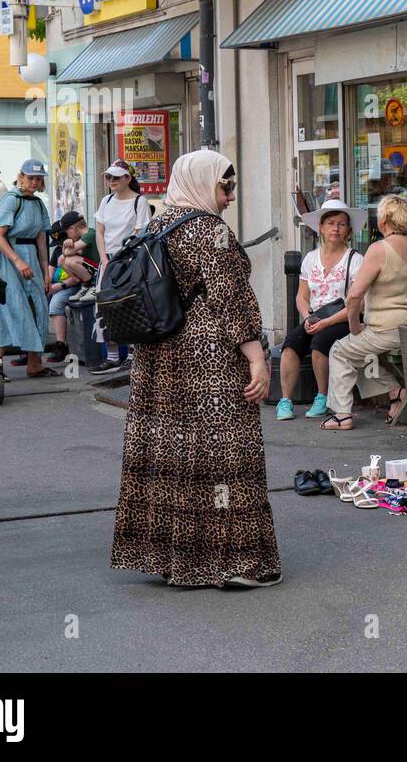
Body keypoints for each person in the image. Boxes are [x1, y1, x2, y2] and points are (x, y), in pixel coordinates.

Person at [110, 149, 281, 588]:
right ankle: (237, 563)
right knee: (225, 455)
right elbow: (231, 299)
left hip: (159, 357)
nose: (229, 197)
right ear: (205, 183)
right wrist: (257, 356)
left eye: (232, 187)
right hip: (209, 358)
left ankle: (176, 559)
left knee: (173, 455)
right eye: (226, 187)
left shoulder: (155, 224)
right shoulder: (211, 231)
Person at [321, 194, 407, 430]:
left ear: (384, 220)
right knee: (363, 356)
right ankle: (396, 393)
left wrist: (354, 327)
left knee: (340, 351)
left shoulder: (379, 249)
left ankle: (341, 415)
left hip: (384, 329)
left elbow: (354, 296)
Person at [276, 199, 364, 420]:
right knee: (291, 344)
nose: (335, 228)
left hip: (343, 318)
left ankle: (322, 397)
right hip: (316, 317)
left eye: (341, 224)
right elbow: (302, 296)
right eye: (331, 223)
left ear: (348, 230)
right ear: (321, 228)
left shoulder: (355, 260)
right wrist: (307, 317)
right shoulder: (310, 258)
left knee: (320, 343)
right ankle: (285, 400)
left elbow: (357, 303)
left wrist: (326, 322)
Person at [0, 159, 56, 379]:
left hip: (30, 257)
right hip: (8, 257)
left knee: (38, 306)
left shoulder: (37, 203)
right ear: (21, 176)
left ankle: (34, 364)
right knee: (10, 307)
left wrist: (46, 272)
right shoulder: (10, 201)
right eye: (31, 177)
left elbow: (41, 241)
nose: (35, 182)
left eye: (38, 178)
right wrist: (17, 261)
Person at [91, 160, 149, 375]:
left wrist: (124, 257)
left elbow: (140, 232)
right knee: (104, 305)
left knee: (131, 304)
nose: (112, 181)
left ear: (128, 178)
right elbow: (99, 231)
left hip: (129, 260)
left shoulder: (139, 202)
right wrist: (104, 259)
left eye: (116, 177)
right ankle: (112, 356)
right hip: (107, 261)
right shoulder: (105, 201)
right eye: (109, 177)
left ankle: (133, 355)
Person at [46, 211, 99, 362]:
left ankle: (91, 284)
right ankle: (87, 284)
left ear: (73, 229)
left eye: (67, 232)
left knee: (67, 260)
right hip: (86, 273)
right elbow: (64, 256)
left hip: (98, 272)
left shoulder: (89, 234)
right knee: (64, 259)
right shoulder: (82, 237)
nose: (67, 236)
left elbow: (70, 252)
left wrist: (66, 246)